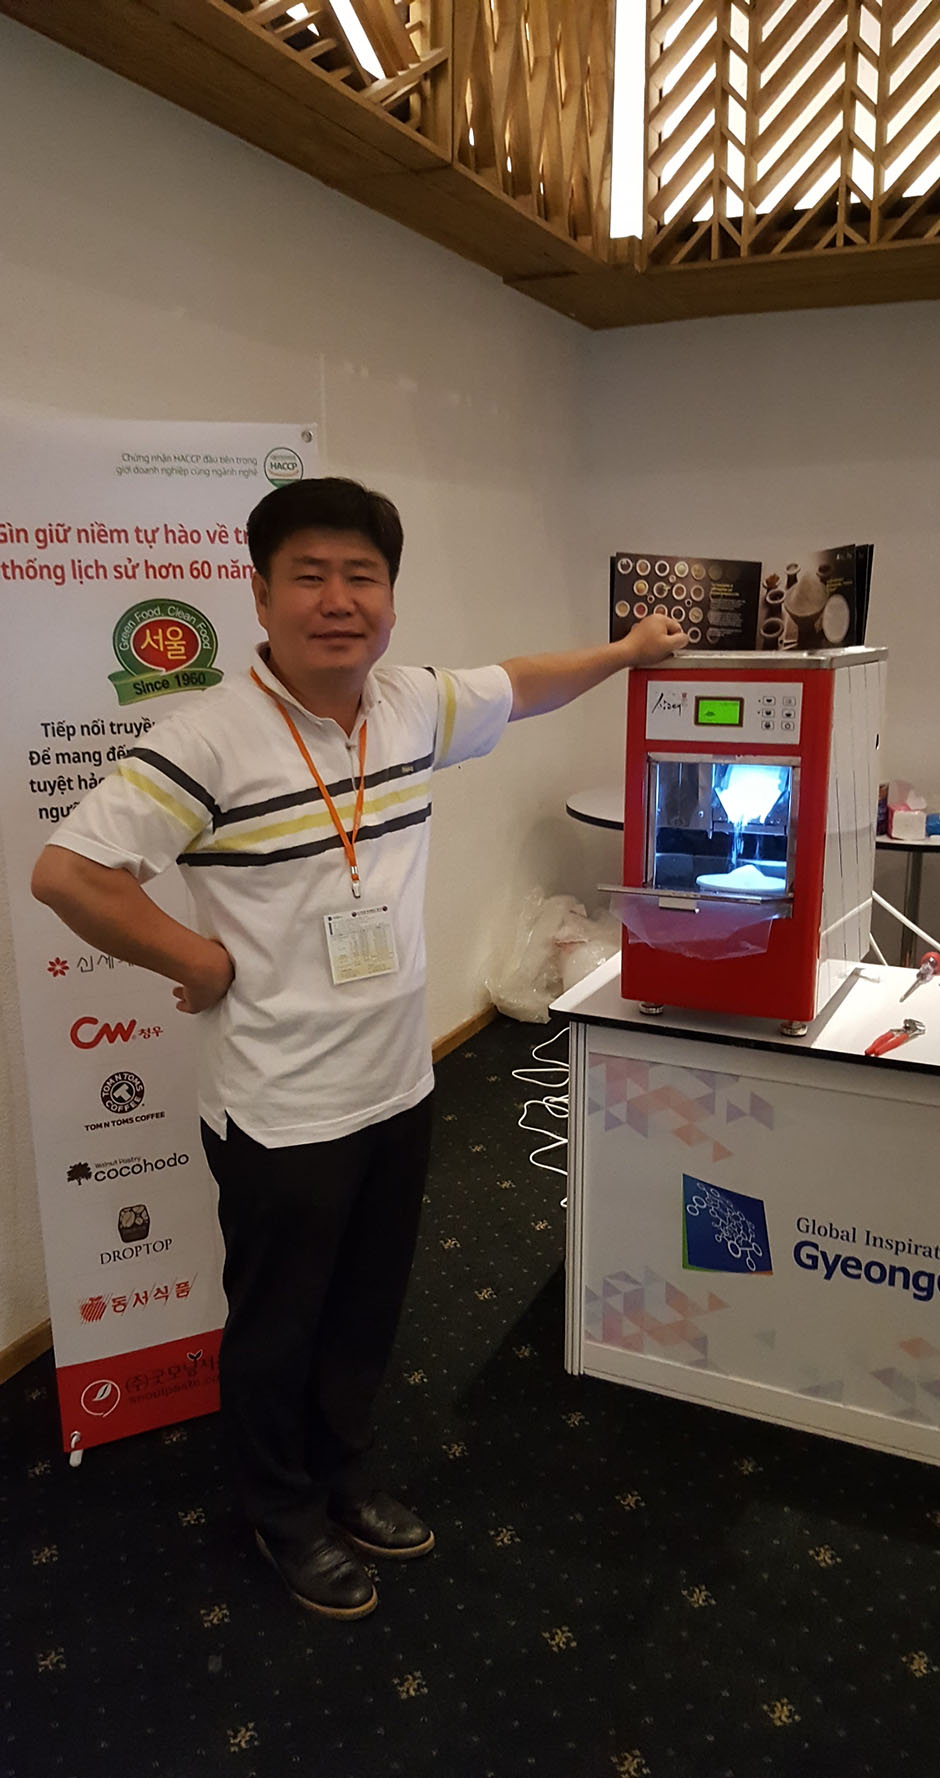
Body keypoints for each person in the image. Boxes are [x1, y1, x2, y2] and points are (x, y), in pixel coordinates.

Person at [31, 477, 686, 1620]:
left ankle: (340, 1469)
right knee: (279, 1322)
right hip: (280, 1104)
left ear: (390, 596)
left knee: (364, 1306)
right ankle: (279, 1507)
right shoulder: (206, 739)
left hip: (396, 1079)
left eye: (361, 576)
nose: (338, 600)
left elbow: (524, 681)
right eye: (309, 576)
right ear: (260, 596)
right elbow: (69, 872)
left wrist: (628, 650)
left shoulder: (410, 702)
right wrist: (197, 960)